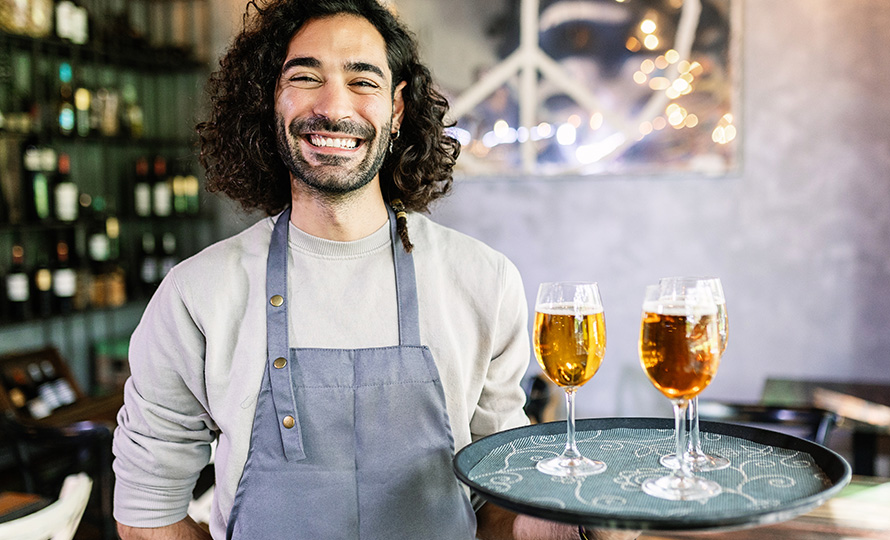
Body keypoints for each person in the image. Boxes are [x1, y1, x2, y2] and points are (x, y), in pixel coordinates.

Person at [111, 1, 638, 539]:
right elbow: (146, 511)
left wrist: (585, 527)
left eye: (362, 80)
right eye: (305, 76)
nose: (334, 105)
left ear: (398, 107)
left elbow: (495, 509)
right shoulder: (197, 295)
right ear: (271, 99)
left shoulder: (484, 281)